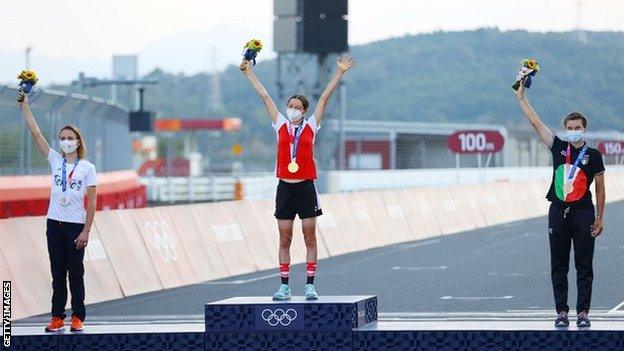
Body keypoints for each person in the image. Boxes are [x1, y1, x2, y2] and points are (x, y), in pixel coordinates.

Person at [240, 56, 355, 300]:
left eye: (296, 107)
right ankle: (284, 286)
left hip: (305, 189)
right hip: (284, 188)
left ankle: (310, 285)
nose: (291, 109)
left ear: (304, 111)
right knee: (285, 238)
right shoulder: (280, 123)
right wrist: (249, 73)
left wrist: (339, 73)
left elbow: (324, 97)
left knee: (309, 237)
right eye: (289, 105)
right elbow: (265, 97)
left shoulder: (312, 126)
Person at [515, 79, 605, 328]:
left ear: (584, 130)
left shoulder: (593, 155)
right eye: (569, 127)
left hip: (584, 213)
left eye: (577, 127)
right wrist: (521, 97)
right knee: (559, 265)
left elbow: (600, 188)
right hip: (557, 212)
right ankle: (562, 312)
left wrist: (599, 217)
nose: (573, 130)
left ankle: (583, 313)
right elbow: (535, 122)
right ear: (565, 129)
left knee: (584, 265)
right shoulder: (557, 146)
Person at [18, 92, 97, 332]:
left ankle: (78, 317)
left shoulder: (87, 168)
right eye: (62, 138)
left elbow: (92, 203)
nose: (65, 141)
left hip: (75, 226)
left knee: (76, 272)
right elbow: (35, 133)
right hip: (54, 223)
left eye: (70, 138)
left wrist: (86, 231)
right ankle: (56, 317)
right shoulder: (55, 160)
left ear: (78, 142)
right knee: (57, 273)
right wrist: (25, 107)